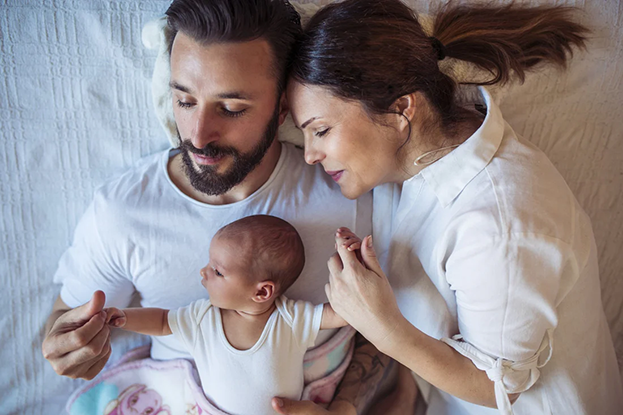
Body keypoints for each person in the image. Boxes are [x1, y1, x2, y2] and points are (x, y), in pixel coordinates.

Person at [41, 1, 388, 414]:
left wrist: (346, 407)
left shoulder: (348, 194)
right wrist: (69, 346)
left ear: (281, 110)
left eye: (231, 108)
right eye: (185, 101)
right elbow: (67, 318)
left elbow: (388, 324)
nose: (199, 136)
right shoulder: (123, 213)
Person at [286, 0, 623, 414]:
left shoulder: (500, 226)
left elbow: (500, 387)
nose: (310, 155)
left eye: (320, 130)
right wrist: (406, 393)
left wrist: (381, 326)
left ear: (400, 109)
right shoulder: (408, 157)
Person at [103, 215, 355, 414]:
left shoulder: (290, 319)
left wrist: (352, 263)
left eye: (218, 271)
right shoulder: (203, 318)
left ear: (262, 292)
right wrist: (124, 318)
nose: (203, 272)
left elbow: (343, 314)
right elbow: (161, 322)